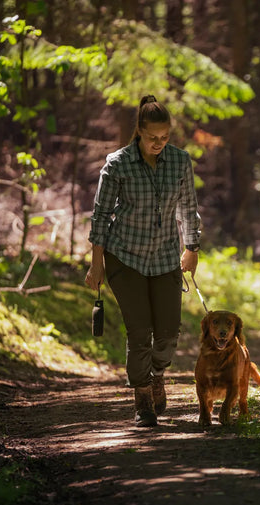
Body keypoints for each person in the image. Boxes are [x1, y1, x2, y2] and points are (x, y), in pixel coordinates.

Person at [85, 95, 201, 428]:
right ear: (139, 131)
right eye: (153, 138)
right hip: (124, 258)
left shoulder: (180, 162)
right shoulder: (118, 163)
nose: (159, 143)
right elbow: (101, 216)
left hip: (165, 257)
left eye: (164, 137)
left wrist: (191, 248)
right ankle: (142, 399)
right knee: (139, 331)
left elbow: (187, 208)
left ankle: (157, 374)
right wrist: (97, 265)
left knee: (167, 333)